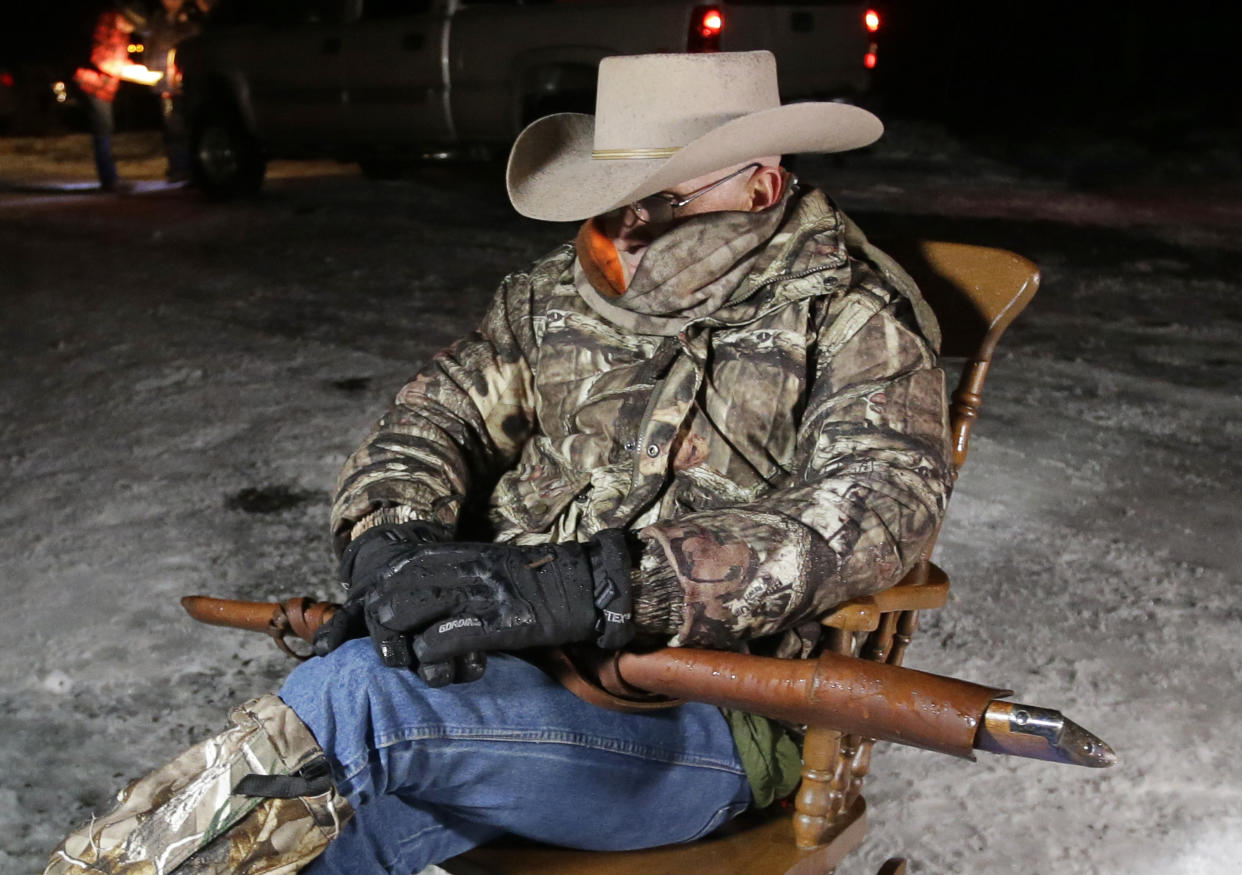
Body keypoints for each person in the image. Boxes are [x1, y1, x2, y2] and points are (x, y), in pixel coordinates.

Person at [45, 51, 953, 875]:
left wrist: (602, 583)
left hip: (701, 720)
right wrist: (392, 543)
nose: (627, 229)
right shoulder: (553, 298)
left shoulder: (851, 318)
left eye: (664, 199)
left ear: (761, 185)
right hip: (509, 679)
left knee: (364, 700)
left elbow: (876, 510)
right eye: (616, 196)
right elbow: (435, 417)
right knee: (304, 843)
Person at [73, 3, 164, 191]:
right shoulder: (107, 26)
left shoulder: (120, 31)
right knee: (103, 130)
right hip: (93, 84)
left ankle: (110, 179)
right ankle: (109, 181)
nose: (133, 30)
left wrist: (138, 69)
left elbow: (117, 58)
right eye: (133, 25)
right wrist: (132, 72)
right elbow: (101, 59)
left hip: (103, 86)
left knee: (105, 129)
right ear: (124, 18)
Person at [144, 0, 210, 182]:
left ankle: (195, 170)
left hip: (186, 79)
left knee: (188, 124)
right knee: (171, 127)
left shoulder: (192, 15)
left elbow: (193, 38)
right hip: (164, 81)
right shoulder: (159, 18)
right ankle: (178, 167)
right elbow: (151, 39)